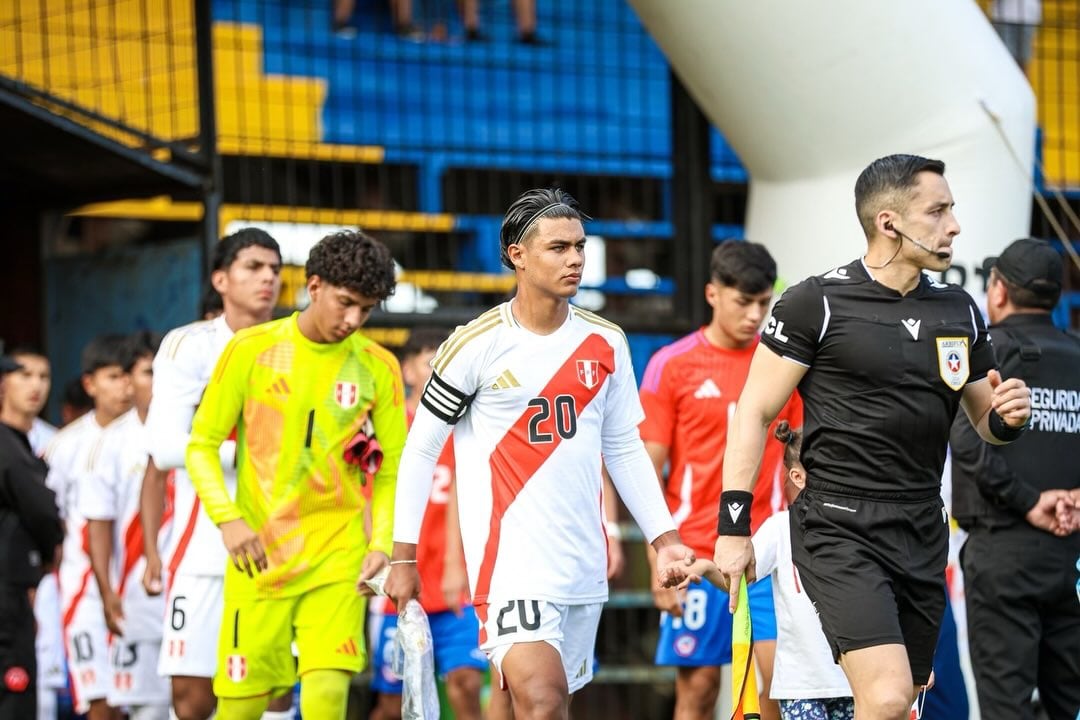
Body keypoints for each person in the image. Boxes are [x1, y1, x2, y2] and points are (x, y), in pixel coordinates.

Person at [712, 154, 1033, 720]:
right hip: (839, 526)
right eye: (937, 211)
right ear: (889, 223)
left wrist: (1009, 416)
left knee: (902, 698)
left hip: (922, 527)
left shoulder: (959, 307)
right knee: (885, 697)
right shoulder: (817, 302)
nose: (954, 225)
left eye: (952, 209)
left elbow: (987, 421)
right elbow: (754, 411)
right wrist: (733, 527)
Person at [385, 187, 695, 720]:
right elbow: (419, 452)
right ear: (517, 255)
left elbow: (622, 448)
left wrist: (664, 540)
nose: (574, 258)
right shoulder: (473, 345)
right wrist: (403, 556)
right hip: (509, 567)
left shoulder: (607, 342)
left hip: (581, 564)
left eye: (579, 245)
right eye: (558, 247)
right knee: (544, 701)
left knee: (524, 702)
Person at [186, 228, 405, 720]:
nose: (353, 320)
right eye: (345, 303)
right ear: (314, 287)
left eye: (366, 310)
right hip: (260, 560)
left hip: (337, 560)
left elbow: (393, 468)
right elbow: (200, 446)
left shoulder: (379, 368)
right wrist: (228, 520)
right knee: (239, 709)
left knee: (327, 699)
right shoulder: (250, 350)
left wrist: (382, 545)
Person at [639, 241, 798, 720]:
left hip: (766, 552)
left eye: (763, 303)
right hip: (694, 552)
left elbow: (799, 461)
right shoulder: (672, 363)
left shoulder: (781, 365)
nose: (754, 315)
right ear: (712, 293)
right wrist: (658, 558)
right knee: (699, 690)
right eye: (742, 301)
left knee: (776, 686)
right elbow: (647, 468)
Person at [140, 228, 289, 720]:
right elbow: (163, 448)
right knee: (194, 698)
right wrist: (259, 445)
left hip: (283, 544)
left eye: (274, 269)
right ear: (220, 279)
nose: (267, 277)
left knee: (274, 693)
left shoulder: (298, 345)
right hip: (202, 544)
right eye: (253, 267)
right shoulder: (189, 346)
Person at [949, 237, 1079, 720]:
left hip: (1004, 551)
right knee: (1070, 703)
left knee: (1006, 706)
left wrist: (1029, 501)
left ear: (999, 291)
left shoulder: (989, 353)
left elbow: (967, 443)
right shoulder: (1076, 351)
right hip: (1072, 555)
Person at [678, 421, 853, 720]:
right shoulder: (779, 529)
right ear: (797, 476)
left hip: (855, 681)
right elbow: (741, 575)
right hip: (801, 687)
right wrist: (707, 568)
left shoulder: (859, 526)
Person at [369, 327, 487, 720]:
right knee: (392, 702)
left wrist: (458, 564)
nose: (440, 370)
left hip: (453, 579)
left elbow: (463, 493)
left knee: (467, 683)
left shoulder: (466, 423)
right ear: (407, 371)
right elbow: (367, 497)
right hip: (398, 580)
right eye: (429, 361)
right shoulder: (386, 425)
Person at [82, 331, 171, 719]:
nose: (160, 381)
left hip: (193, 589)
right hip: (137, 597)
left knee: (195, 703)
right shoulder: (111, 443)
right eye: (149, 372)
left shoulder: (199, 431)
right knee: (145, 709)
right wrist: (105, 590)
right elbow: (97, 524)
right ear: (128, 380)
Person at [45, 335, 133, 720]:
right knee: (98, 698)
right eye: (114, 376)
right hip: (83, 590)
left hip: (136, 589)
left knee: (139, 699)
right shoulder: (63, 446)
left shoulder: (148, 438)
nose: (125, 387)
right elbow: (52, 517)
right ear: (90, 384)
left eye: (130, 376)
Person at [0, 345, 68, 720]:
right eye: (23, 375)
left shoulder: (33, 440)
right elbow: (43, 514)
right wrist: (51, 547)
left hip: (25, 588)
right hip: (9, 593)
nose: (35, 386)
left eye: (43, 376)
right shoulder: (7, 447)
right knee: (16, 696)